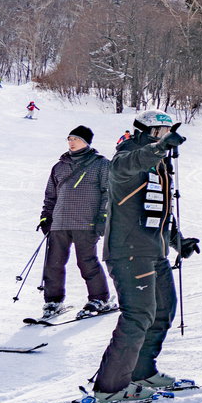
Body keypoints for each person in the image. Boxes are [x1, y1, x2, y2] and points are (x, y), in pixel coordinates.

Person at [90, 109, 200, 403]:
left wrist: (179, 242)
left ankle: (141, 372)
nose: (166, 138)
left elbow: (159, 212)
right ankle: (110, 387)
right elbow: (124, 167)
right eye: (159, 133)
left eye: (168, 133)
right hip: (128, 252)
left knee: (163, 310)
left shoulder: (159, 165)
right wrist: (160, 148)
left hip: (154, 252)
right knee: (138, 315)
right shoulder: (128, 156)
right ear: (144, 132)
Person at [35, 126, 116, 321]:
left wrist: (102, 218)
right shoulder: (59, 166)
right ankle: (53, 300)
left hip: (85, 222)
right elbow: (50, 195)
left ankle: (99, 298)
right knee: (53, 263)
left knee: (86, 262)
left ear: (87, 142)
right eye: (69, 138)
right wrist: (46, 217)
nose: (71, 142)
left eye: (76, 139)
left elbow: (108, 192)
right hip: (59, 223)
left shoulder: (101, 164)